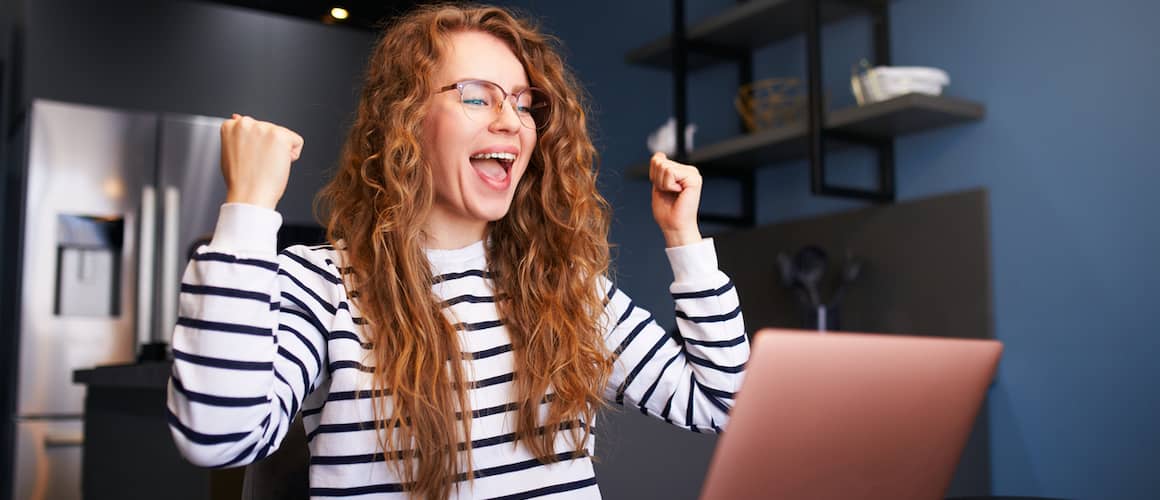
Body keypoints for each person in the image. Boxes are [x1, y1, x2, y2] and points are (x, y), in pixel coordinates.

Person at [166, 4, 749, 499]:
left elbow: (724, 404)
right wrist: (247, 208)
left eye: (523, 103)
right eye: (477, 97)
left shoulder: (565, 286)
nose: (512, 122)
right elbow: (217, 435)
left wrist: (685, 240)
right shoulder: (324, 286)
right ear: (406, 120)